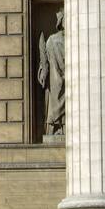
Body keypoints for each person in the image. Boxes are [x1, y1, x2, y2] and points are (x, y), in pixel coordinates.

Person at [38, 8, 65, 138]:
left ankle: (65, 128)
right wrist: (43, 72)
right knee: (55, 103)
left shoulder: (75, 39)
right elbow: (45, 62)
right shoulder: (52, 40)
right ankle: (55, 128)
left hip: (70, 80)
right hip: (56, 79)